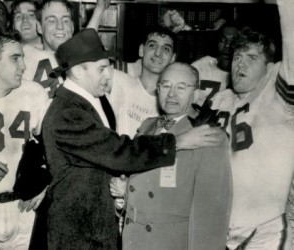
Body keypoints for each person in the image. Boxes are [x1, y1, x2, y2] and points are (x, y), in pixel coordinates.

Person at [30, 28, 213, 250]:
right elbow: (117, 151)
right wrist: (178, 142)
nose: (108, 75)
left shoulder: (91, 102)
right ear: (78, 71)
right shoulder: (68, 112)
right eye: (101, 69)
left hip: (93, 228)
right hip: (76, 234)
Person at [111, 62, 232, 250]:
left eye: (181, 87)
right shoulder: (147, 127)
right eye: (166, 86)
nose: (172, 94)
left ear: (196, 93)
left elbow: (211, 216)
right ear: (158, 90)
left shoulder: (207, 136)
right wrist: (125, 191)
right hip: (134, 241)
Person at [210, 0, 294, 248]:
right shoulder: (220, 100)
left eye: (251, 57)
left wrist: (286, 4)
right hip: (219, 228)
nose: (241, 64)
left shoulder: (278, 96)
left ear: (269, 67)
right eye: (237, 57)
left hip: (265, 230)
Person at [0, 28, 48, 250]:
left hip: (22, 208)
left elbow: (56, 148)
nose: (24, 66)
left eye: (23, 58)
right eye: (15, 59)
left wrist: (47, 186)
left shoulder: (33, 93)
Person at [21, 0, 110, 98]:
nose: (60, 26)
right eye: (51, 20)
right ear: (39, 27)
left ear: (72, 27)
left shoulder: (84, 59)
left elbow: (87, 37)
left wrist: (99, 9)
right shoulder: (23, 57)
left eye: (66, 20)